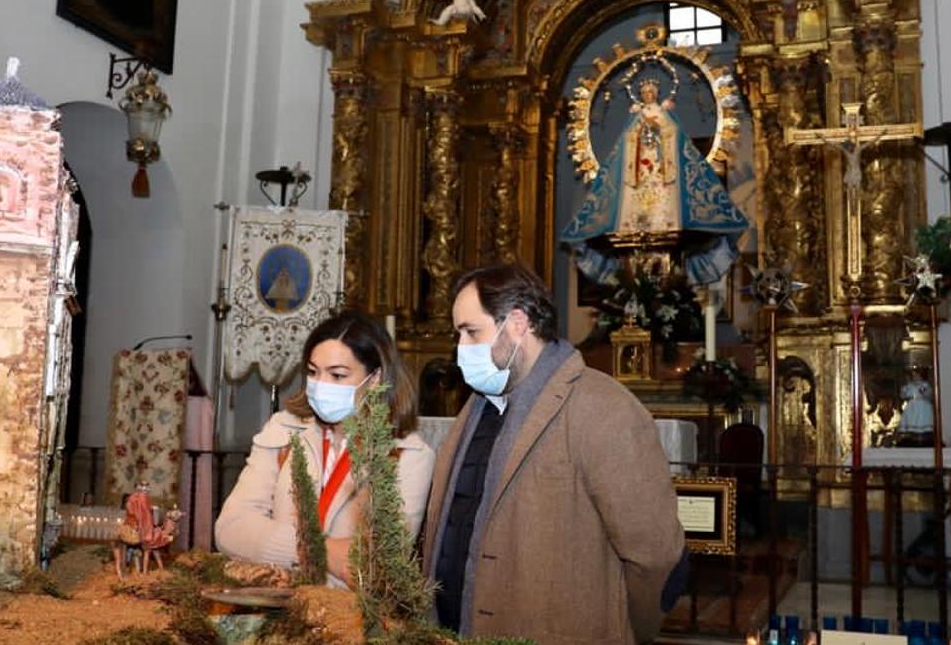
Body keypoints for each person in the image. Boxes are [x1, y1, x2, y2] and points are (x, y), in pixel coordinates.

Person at [422, 264, 688, 644]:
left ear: (517, 323)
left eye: (471, 332)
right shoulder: (476, 406)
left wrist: (623, 629)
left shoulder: (602, 407)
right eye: (458, 334)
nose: (460, 349)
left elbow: (655, 555)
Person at [215, 311, 434, 587]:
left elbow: (375, 564)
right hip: (273, 601)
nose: (321, 386)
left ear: (375, 378)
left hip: (348, 618)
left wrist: (272, 542)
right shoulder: (283, 431)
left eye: (338, 375)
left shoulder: (407, 455)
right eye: (313, 372)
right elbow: (230, 529)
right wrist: (320, 549)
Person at [562, 76, 749, 286]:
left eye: (651, 92)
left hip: (662, 174)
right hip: (639, 174)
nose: (648, 95)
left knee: (664, 203)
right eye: (645, 93)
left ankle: (664, 222)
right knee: (634, 202)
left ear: (656, 94)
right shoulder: (637, 117)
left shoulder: (663, 114)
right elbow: (627, 143)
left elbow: (673, 136)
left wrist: (658, 128)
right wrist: (641, 130)